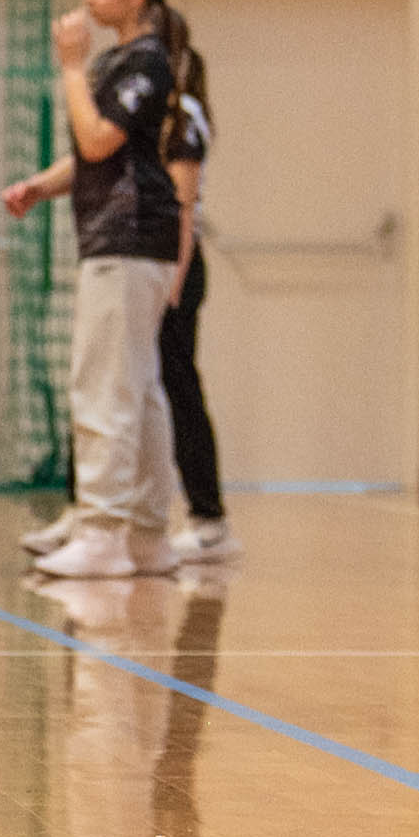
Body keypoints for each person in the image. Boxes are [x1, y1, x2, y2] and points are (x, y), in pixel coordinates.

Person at [0, 0, 194, 581]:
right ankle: (146, 534)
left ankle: (103, 530)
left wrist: (72, 69)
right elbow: (92, 155)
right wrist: (41, 186)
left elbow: (98, 137)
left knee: (105, 386)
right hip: (120, 241)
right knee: (141, 388)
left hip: (129, 239)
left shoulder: (146, 62)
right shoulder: (119, 61)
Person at [158, 45, 238, 566]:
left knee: (180, 389)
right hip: (156, 263)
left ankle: (209, 518)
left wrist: (175, 281)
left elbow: (183, 211)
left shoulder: (183, 118)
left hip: (175, 268)